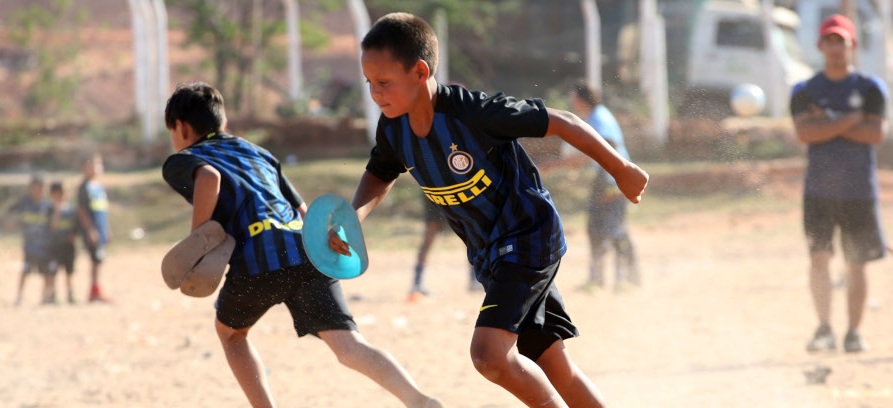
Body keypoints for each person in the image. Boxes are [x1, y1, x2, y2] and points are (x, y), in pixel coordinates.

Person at [333, 13, 648, 407]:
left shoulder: (473, 113)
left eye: (384, 82)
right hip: (490, 255)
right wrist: (353, 219)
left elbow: (564, 122)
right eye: (369, 83)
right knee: (551, 361)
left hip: (528, 236)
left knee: (489, 356)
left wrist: (621, 168)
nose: (375, 93)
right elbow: (380, 173)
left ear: (420, 72)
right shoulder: (393, 128)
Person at [161, 82, 441, 408]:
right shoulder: (259, 153)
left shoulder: (185, 158)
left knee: (231, 334)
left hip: (257, 259)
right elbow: (303, 210)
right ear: (223, 122)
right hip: (304, 249)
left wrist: (198, 242)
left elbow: (209, 177)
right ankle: (419, 400)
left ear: (181, 127)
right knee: (349, 345)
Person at [791, 15, 888, 353]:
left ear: (852, 45)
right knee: (819, 258)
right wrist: (852, 119)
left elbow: (875, 134)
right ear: (820, 46)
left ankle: (854, 333)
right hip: (818, 190)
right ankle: (824, 328)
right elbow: (805, 133)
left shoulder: (871, 88)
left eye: (841, 41)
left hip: (859, 190)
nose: (835, 48)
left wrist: (829, 122)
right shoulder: (804, 91)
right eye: (829, 41)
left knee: (856, 263)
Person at [560, 82, 639, 292]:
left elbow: (607, 146)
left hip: (614, 181)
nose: (571, 101)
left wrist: (562, 163)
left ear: (581, 99)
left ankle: (627, 280)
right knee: (595, 229)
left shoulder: (600, 118)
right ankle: (597, 279)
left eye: (573, 97)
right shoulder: (591, 118)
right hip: (603, 180)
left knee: (615, 230)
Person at [407, 197, 482, 303]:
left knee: (468, 233)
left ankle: (474, 279)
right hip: (439, 193)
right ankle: (417, 283)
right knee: (431, 236)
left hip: (443, 193)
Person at [13, 174, 54, 306]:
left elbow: (52, 225)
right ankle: (19, 296)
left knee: (46, 272)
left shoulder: (48, 206)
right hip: (29, 246)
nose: (39, 190)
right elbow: (13, 217)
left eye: (41, 187)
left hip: (44, 246)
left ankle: (45, 297)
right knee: (25, 271)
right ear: (31, 188)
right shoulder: (24, 203)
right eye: (36, 187)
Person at [77, 152, 110, 302]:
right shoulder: (84, 188)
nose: (95, 168)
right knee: (95, 260)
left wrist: (106, 229)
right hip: (92, 230)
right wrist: (90, 230)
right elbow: (83, 211)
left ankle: (96, 289)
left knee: (99, 260)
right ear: (84, 168)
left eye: (98, 164)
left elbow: (103, 210)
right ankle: (94, 292)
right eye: (91, 165)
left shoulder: (99, 187)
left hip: (100, 228)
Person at [49, 181, 79, 304]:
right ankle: (52, 295)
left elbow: (76, 226)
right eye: (57, 193)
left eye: (61, 193)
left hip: (68, 246)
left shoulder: (71, 209)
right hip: (55, 246)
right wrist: (57, 211)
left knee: (69, 272)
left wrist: (73, 235)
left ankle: (70, 294)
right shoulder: (50, 209)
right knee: (53, 271)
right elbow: (52, 227)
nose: (60, 196)